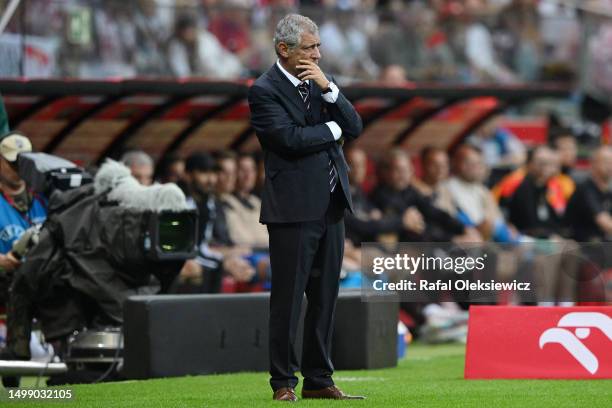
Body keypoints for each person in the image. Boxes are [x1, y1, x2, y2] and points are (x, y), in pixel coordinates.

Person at [248, 14, 364, 401]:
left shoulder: (320, 83)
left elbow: (356, 125)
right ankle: (282, 382)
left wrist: (330, 90)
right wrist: (333, 131)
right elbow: (288, 139)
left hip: (331, 205)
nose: (317, 54)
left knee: (325, 296)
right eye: (309, 47)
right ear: (284, 49)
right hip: (293, 209)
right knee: (288, 298)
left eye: (318, 47)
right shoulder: (264, 90)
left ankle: (319, 379)